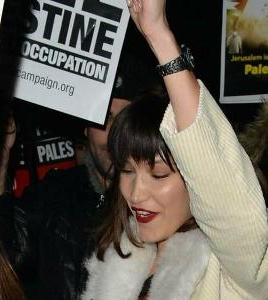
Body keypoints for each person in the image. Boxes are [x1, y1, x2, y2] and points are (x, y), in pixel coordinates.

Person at [81, 0, 268, 299]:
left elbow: (240, 218)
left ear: (196, 175)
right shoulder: (116, 260)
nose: (136, 193)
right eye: (127, 170)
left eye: (158, 173)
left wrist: (158, 35)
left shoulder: (229, 270)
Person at [0, 50, 161, 299]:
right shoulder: (54, 194)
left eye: (124, 120)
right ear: (86, 125)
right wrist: (1, 152)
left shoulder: (158, 208)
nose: (113, 135)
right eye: (105, 119)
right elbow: (5, 251)